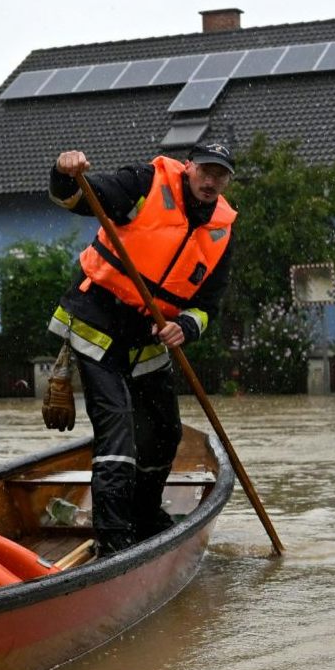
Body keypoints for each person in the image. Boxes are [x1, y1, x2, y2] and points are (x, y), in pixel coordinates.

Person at [46, 140, 237, 555]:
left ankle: (145, 512)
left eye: (220, 175)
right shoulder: (146, 183)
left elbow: (207, 306)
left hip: (147, 335)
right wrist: (64, 172)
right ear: (188, 168)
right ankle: (113, 539)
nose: (211, 180)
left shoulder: (221, 231)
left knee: (165, 430)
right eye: (205, 170)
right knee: (119, 431)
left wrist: (186, 325)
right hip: (96, 320)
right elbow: (78, 198)